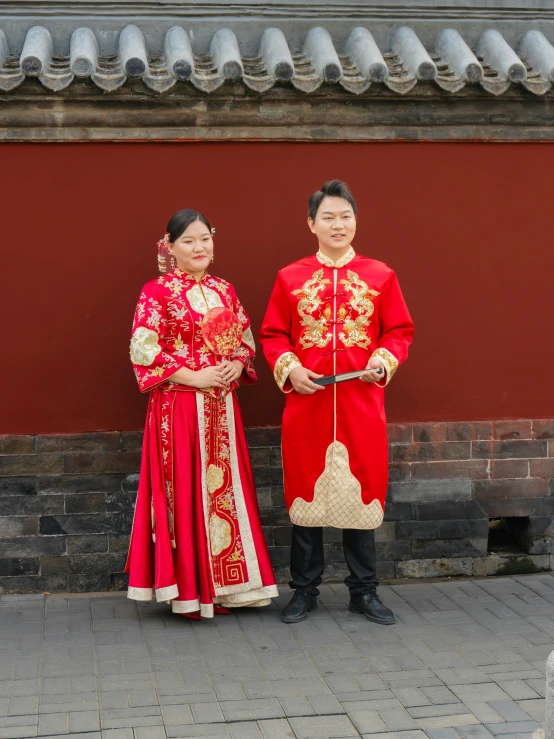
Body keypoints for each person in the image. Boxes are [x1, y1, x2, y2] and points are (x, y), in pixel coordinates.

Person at [259, 181, 414, 625]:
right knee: (306, 498)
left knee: (360, 496)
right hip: (307, 405)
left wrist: (382, 362)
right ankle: (304, 591)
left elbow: (399, 331)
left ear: (355, 221)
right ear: (311, 224)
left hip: (360, 402)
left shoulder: (380, 275)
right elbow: (272, 334)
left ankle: (363, 593)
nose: (338, 224)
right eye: (328, 216)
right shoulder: (289, 277)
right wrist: (290, 369)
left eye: (345, 216)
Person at [125, 209, 278, 619]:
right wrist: (193, 375)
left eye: (205, 238)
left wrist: (237, 364)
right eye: (189, 241)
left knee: (224, 492)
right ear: (170, 246)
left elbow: (245, 340)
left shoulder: (225, 290)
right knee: (188, 491)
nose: (199, 247)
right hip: (178, 407)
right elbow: (143, 349)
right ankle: (190, 590)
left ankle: (231, 586)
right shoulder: (156, 292)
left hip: (221, 408)